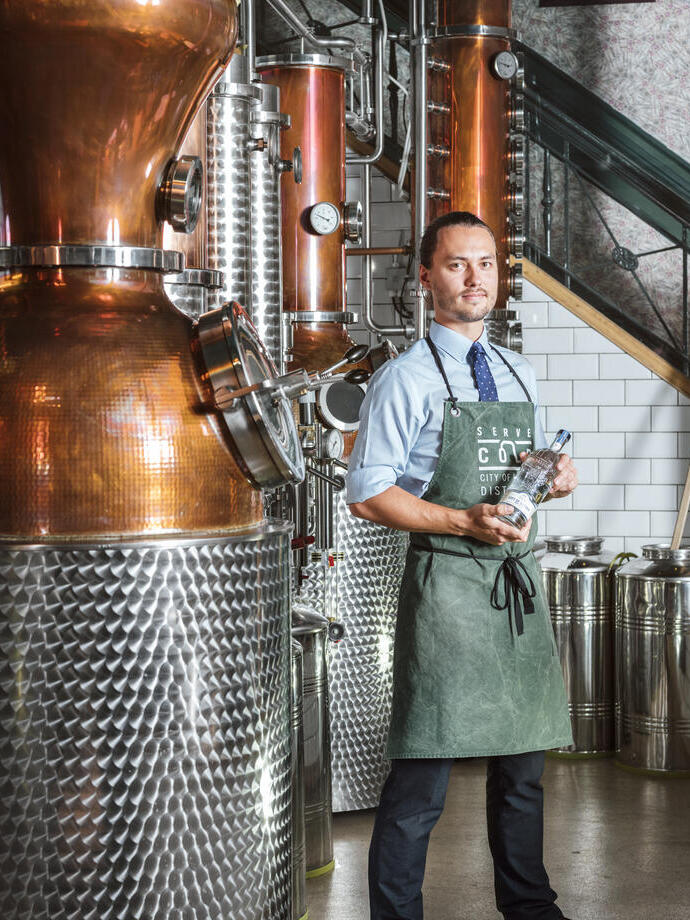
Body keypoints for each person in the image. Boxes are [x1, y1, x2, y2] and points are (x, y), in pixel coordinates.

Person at [346, 211, 579, 920]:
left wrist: (557, 473)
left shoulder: (517, 370)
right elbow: (367, 494)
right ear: (427, 279)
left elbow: (531, 467)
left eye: (485, 263)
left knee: (523, 770)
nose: (474, 277)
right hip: (446, 583)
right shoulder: (403, 379)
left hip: (514, 585)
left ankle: (531, 909)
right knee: (422, 779)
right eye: (456, 264)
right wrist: (458, 520)